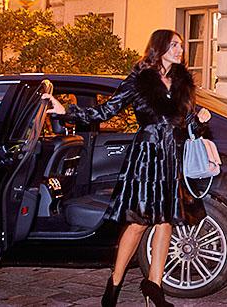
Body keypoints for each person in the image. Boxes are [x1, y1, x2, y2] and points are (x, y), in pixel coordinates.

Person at [43, 29, 211, 307]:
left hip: (172, 156)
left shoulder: (182, 83)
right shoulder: (140, 79)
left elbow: (186, 124)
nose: (180, 50)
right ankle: (115, 283)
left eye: (181, 45)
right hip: (147, 155)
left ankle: (154, 287)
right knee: (138, 222)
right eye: (174, 45)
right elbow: (106, 111)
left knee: (166, 221)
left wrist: (200, 120)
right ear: (159, 47)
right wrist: (67, 111)